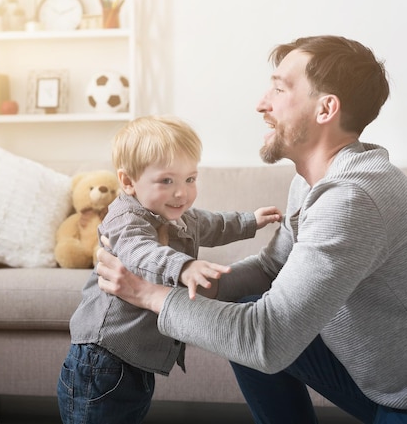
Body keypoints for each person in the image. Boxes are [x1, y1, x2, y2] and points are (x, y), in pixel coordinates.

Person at [95, 35, 407, 424]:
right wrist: (192, 280)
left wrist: (147, 294)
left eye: (279, 90)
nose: (260, 104)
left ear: (325, 109)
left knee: (252, 331)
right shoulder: (312, 182)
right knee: (246, 303)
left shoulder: (353, 198)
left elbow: (266, 340)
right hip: (395, 391)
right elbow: (273, 269)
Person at [57, 115, 282, 424]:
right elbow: (142, 252)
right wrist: (184, 266)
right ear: (127, 182)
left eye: (190, 179)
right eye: (167, 181)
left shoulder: (181, 216)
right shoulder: (126, 218)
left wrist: (251, 221)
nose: (182, 193)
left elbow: (215, 224)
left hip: (136, 359)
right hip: (102, 358)